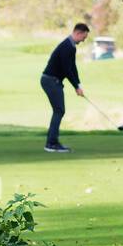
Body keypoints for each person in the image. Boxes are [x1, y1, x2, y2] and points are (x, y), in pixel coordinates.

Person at [41, 22, 90, 153]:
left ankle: (52, 142)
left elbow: (73, 67)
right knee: (59, 110)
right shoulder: (67, 46)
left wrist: (78, 84)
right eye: (83, 37)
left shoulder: (71, 46)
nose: (83, 40)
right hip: (50, 81)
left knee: (59, 110)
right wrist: (76, 87)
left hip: (52, 81)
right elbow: (67, 70)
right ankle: (51, 143)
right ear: (78, 33)